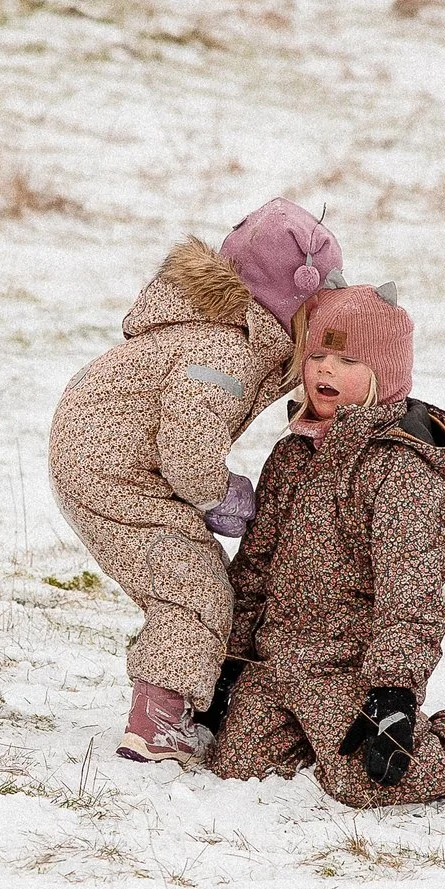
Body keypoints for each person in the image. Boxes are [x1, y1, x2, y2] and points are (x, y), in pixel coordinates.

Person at [200, 283, 445, 806]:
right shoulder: (291, 456)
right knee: (237, 767)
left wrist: (392, 691)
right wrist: (230, 661)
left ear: (383, 374)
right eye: (317, 355)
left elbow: (410, 596)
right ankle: (321, 740)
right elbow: (256, 565)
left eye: (347, 359)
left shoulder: (399, 473)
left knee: (372, 781)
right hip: (278, 662)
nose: (325, 370)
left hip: (350, 668)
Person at [48, 199, 344, 761]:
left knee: (189, 579)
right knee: (193, 589)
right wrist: (219, 492)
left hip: (110, 461)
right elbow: (188, 444)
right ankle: (160, 721)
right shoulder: (225, 351)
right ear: (290, 300)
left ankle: (184, 700)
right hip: (116, 475)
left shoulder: (217, 332)